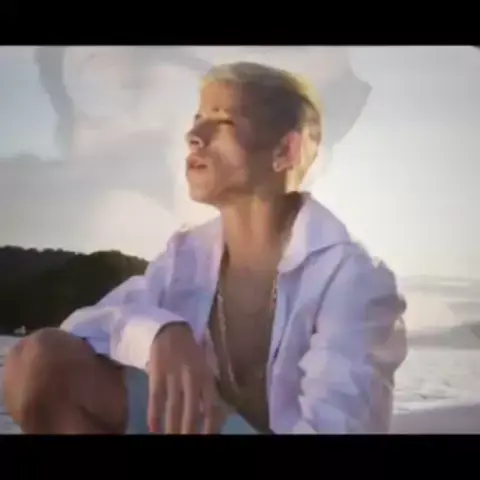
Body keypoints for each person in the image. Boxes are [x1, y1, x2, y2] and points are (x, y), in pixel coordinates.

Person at [2, 61, 407, 434]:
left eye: (223, 121)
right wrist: (160, 335)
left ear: (286, 151)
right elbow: (84, 327)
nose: (193, 136)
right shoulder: (186, 257)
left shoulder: (352, 280)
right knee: (36, 363)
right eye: (197, 120)